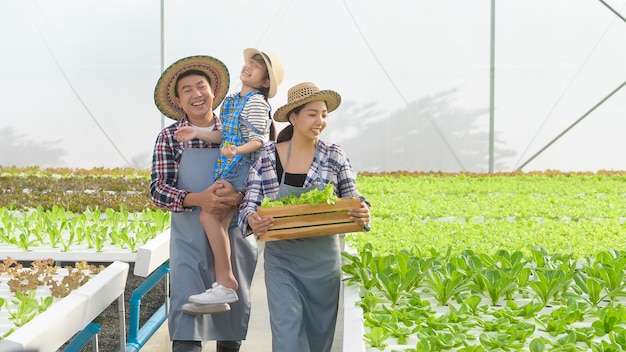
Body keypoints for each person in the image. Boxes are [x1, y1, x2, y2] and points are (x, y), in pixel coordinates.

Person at [238, 82, 372, 352]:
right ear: (294, 117)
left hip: (323, 263)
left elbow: (355, 199)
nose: (320, 121)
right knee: (287, 337)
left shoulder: (334, 156)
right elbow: (248, 205)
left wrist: (363, 212)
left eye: (324, 114)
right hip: (281, 261)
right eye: (312, 114)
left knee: (319, 339)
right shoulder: (267, 156)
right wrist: (252, 219)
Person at [150, 55, 257, 352]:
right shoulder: (169, 138)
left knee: (230, 331)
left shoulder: (238, 134)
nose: (196, 94)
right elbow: (158, 191)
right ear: (178, 101)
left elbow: (261, 183)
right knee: (186, 327)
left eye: (202, 87)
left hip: (233, 237)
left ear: (213, 93)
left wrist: (237, 198)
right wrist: (201, 199)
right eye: (187, 90)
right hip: (190, 242)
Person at [173, 49, 284, 306]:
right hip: (230, 163)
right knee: (218, 222)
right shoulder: (233, 100)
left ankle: (226, 282)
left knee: (208, 216)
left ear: (265, 82)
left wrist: (237, 150)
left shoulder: (256, 102)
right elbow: (224, 136)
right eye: (249, 62)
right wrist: (197, 133)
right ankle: (223, 284)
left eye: (257, 67)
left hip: (241, 166)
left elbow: (258, 140)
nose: (249, 67)